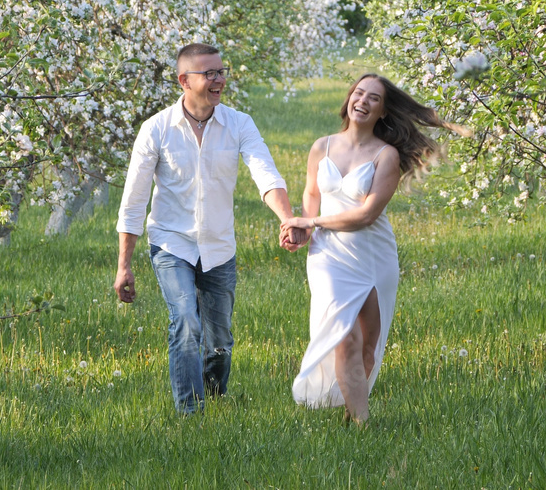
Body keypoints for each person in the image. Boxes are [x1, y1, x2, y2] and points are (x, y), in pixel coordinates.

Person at [114, 43, 301, 414]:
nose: (219, 80)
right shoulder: (157, 129)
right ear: (184, 80)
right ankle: (190, 412)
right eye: (209, 73)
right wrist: (124, 264)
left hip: (218, 246)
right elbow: (134, 200)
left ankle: (215, 399)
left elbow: (265, 172)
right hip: (171, 243)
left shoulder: (239, 123)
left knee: (219, 341)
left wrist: (287, 218)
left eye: (221, 71)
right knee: (185, 322)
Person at [280, 73, 459, 425]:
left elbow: (366, 214)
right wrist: (304, 226)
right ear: (349, 99)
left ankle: (350, 408)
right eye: (359, 93)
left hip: (372, 254)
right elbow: (312, 196)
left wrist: (311, 224)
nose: (362, 101)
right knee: (344, 336)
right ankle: (363, 425)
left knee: (368, 345)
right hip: (328, 255)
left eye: (373, 98)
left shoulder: (386, 155)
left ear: (383, 110)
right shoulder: (322, 146)